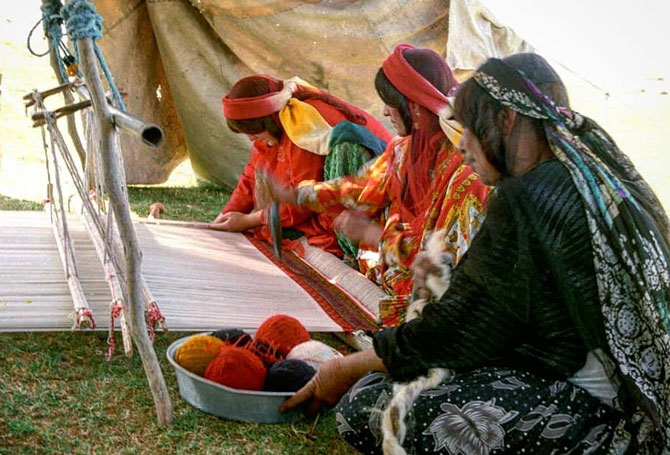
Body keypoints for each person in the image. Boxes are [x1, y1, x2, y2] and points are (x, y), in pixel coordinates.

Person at [279, 53, 670, 455]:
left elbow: (457, 327)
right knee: (393, 378)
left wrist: (346, 366)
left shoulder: (529, 197)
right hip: (601, 380)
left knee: (368, 408)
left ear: (507, 121)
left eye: (468, 130)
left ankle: (594, 443)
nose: (462, 145)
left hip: (605, 411)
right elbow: (487, 319)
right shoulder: (578, 175)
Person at [266, 45, 489, 325]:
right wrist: (296, 193)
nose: (384, 112)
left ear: (414, 105)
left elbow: (449, 267)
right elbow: (359, 188)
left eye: (390, 103)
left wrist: (376, 236)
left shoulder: (467, 173)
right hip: (393, 276)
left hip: (433, 298)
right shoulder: (403, 151)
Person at [210, 75, 392, 257]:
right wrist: (227, 214)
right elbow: (253, 173)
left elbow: (302, 201)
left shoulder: (303, 123)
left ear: (268, 120)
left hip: (372, 196)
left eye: (254, 132)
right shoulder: (275, 121)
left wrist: (248, 220)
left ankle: (352, 249)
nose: (251, 139)